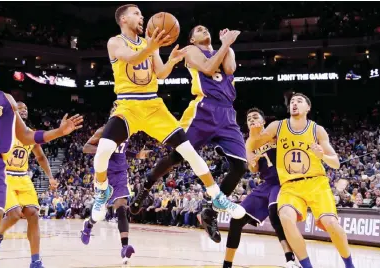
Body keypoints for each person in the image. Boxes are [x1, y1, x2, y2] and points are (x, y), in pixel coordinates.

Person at [93, 5, 244, 223]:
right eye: (137, 14)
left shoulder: (149, 45)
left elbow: (161, 73)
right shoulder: (115, 42)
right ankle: (101, 190)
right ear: (123, 19)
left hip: (153, 105)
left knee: (188, 151)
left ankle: (217, 196)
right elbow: (132, 58)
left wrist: (171, 61)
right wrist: (151, 46)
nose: (142, 17)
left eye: (142, 14)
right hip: (128, 105)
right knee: (104, 149)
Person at [129, 25, 247, 242]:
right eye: (198, 30)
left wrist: (227, 46)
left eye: (205, 28)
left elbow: (229, 69)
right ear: (192, 39)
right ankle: (145, 188)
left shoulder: (224, 49)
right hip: (203, 109)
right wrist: (226, 45)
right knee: (177, 156)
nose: (203, 29)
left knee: (240, 166)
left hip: (227, 112)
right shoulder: (191, 51)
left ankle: (210, 211)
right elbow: (210, 69)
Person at [0, 54, 83, 268]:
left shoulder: (5, 100)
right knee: (13, 213)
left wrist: (59, 132)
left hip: (4, 171)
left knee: (20, 214)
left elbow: (30, 139)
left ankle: (33, 260)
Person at [249, 93, 355, 268]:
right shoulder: (277, 127)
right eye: (292, 101)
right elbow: (253, 144)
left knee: (332, 225)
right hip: (290, 186)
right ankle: (307, 266)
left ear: (308, 107)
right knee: (285, 216)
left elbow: (335, 163)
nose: (294, 104)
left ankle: (349, 265)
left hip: (316, 183)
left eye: (299, 101)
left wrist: (322, 156)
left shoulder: (317, 130)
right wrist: (254, 134)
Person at [0, 102, 59, 267]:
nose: (23, 109)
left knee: (33, 214)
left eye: (25, 108)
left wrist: (50, 177)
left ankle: (36, 261)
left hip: (23, 177)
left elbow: (40, 157)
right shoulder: (1, 130)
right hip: (4, 176)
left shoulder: (30, 135)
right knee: (14, 214)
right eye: (19, 108)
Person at [223, 108, 297, 268]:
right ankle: (227, 264)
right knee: (236, 219)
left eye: (255, 117)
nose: (251, 119)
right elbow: (254, 170)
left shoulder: (274, 133)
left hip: (283, 182)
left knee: (274, 211)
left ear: (263, 121)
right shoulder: (248, 143)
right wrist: (254, 163)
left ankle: (290, 259)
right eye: (248, 118)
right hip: (267, 184)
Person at [80, 112, 152, 264]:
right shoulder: (103, 130)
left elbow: (123, 151)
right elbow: (86, 148)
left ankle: (124, 247)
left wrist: (137, 155)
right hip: (104, 172)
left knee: (122, 208)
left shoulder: (127, 131)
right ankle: (88, 224)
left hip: (120, 173)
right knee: (99, 214)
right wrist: (105, 150)